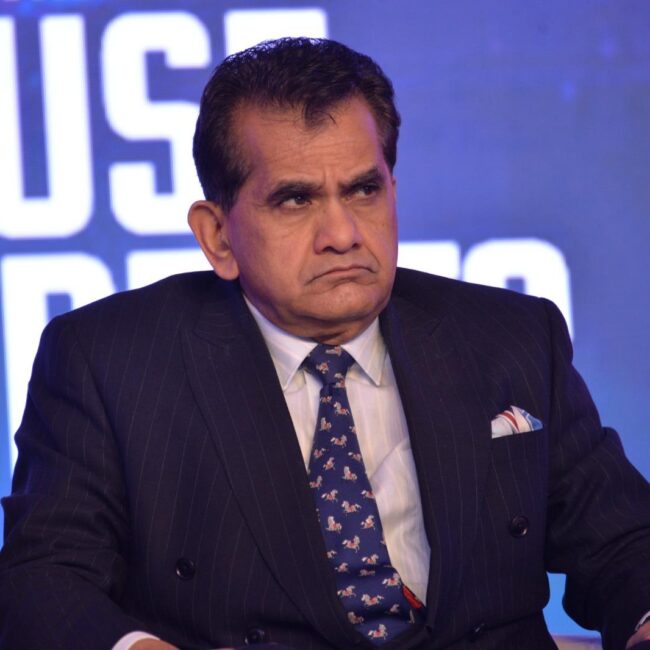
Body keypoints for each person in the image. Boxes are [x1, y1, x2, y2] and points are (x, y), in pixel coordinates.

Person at [1, 37, 649, 650]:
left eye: (364, 190)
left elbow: (622, 543)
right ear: (217, 237)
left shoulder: (510, 336)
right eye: (295, 200)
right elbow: (43, 578)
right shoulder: (108, 362)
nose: (342, 233)